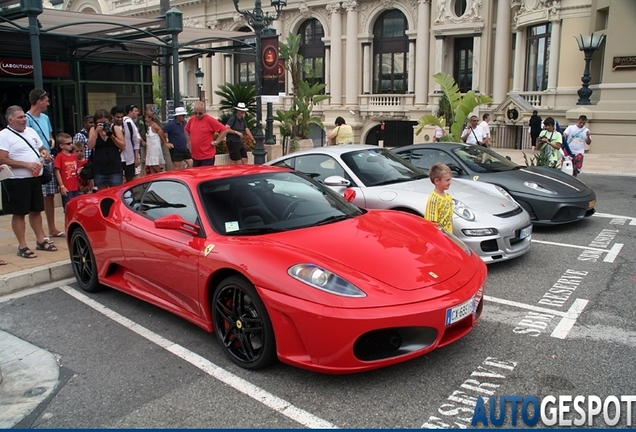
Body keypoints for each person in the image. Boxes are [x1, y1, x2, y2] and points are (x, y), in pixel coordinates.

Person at [0, 105, 58, 258]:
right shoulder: (4, 135)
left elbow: (41, 148)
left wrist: (44, 155)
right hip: (16, 180)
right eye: (20, 117)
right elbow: (2, 158)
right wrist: (26, 164)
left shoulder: (31, 132)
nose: (24, 120)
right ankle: (22, 246)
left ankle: (41, 240)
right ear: (10, 120)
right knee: (19, 213)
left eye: (24, 117)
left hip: (34, 178)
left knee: (36, 210)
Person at [26, 88, 65, 238]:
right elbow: (30, 141)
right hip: (36, 160)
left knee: (49, 195)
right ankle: (40, 231)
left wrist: (52, 141)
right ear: (39, 101)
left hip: (48, 157)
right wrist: (43, 153)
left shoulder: (45, 118)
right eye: (46, 100)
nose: (48, 103)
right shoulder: (27, 119)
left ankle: (52, 228)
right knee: (38, 196)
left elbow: (48, 134)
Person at [88, 109, 125, 190]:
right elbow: (90, 146)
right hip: (99, 168)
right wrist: (96, 132)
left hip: (114, 167)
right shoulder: (93, 130)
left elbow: (123, 146)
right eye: (99, 123)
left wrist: (111, 136)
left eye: (105, 122)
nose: (102, 125)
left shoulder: (115, 128)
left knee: (115, 193)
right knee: (102, 195)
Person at [185, 101, 229, 167]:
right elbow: (186, 129)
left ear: (204, 111)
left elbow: (224, 130)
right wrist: (189, 141)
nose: (197, 115)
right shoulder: (192, 119)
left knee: (205, 176)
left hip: (207, 157)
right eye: (195, 113)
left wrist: (216, 142)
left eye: (200, 113)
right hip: (195, 156)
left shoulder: (210, 120)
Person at [53, 132, 80, 210]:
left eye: (71, 143)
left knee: (76, 207)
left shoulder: (74, 156)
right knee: (69, 208)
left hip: (75, 186)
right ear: (61, 146)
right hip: (67, 187)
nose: (71, 145)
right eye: (68, 143)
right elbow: (57, 171)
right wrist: (61, 186)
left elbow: (76, 169)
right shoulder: (59, 156)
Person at [424, 162, 453, 233]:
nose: (450, 182)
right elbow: (431, 222)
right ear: (437, 181)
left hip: (448, 236)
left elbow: (450, 218)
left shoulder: (448, 197)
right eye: (447, 180)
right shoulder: (433, 200)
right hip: (439, 236)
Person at [122, 104, 141, 181]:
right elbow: (136, 140)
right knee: (134, 178)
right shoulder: (129, 122)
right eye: (135, 111)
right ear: (130, 111)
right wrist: (136, 157)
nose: (137, 113)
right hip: (129, 156)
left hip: (122, 156)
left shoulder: (122, 122)